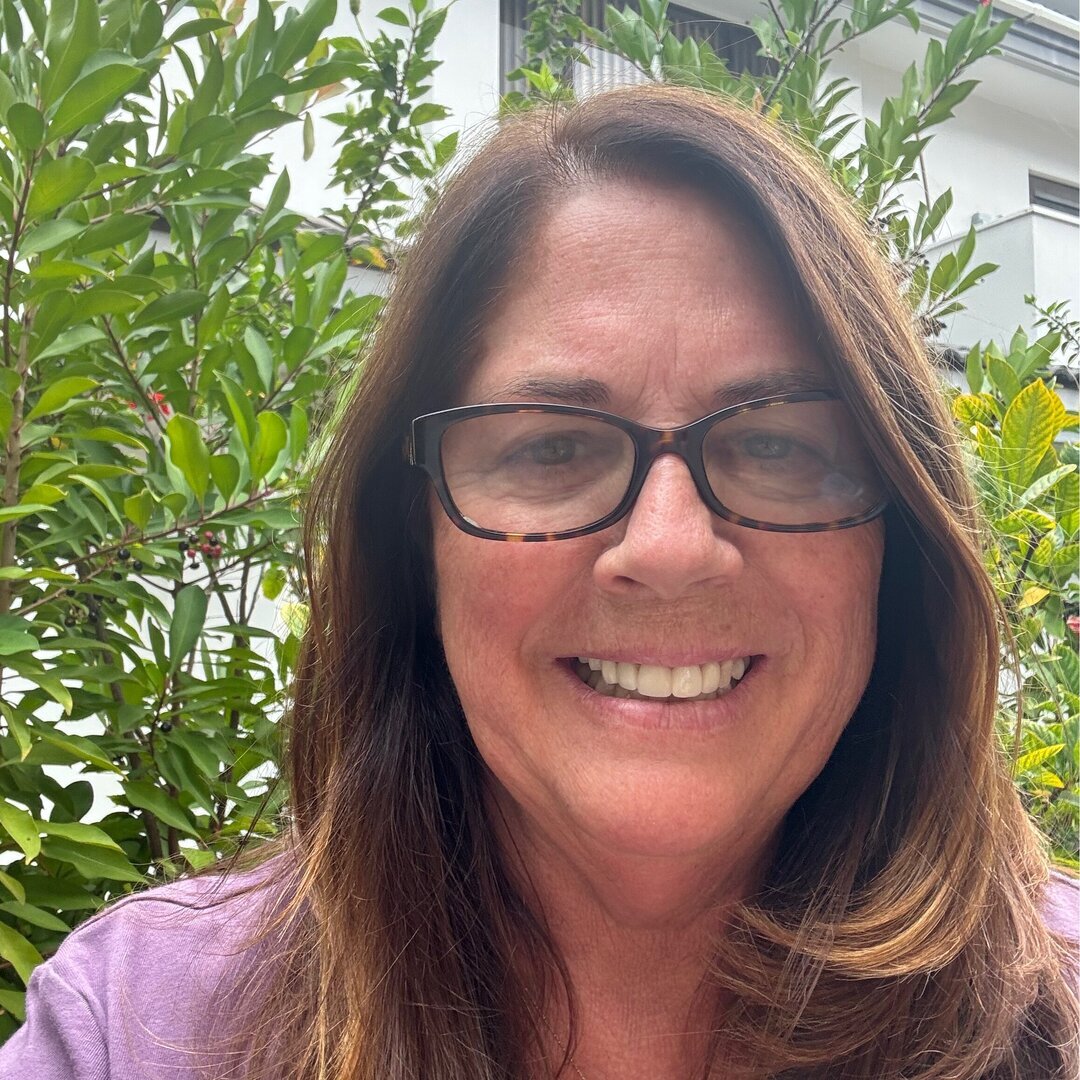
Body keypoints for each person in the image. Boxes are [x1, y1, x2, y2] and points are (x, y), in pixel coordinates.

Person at [2, 84, 1077, 1080]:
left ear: (900, 542)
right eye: (553, 447)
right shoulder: (134, 1029)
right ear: (415, 540)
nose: (668, 548)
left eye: (779, 445)